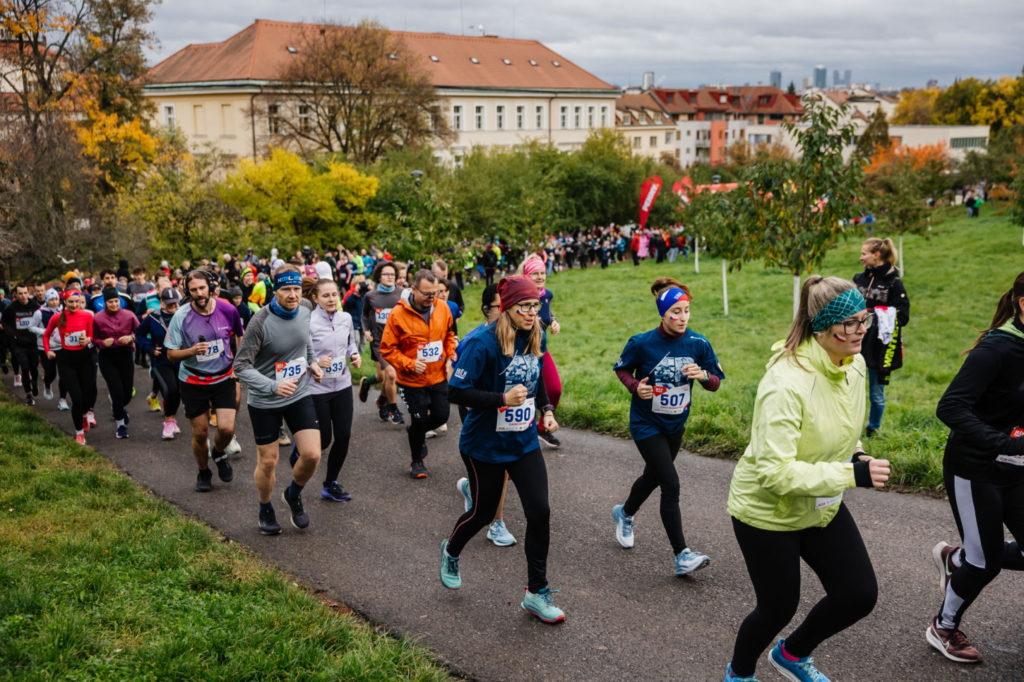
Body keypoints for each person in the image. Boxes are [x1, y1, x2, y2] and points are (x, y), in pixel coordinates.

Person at [724, 276, 890, 682]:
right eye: (849, 323)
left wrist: (857, 453)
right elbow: (774, 471)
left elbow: (842, 430)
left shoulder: (853, 367)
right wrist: (853, 474)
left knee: (858, 594)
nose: (861, 330)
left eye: (863, 319)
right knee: (777, 608)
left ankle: (792, 655)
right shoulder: (785, 383)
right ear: (823, 327)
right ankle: (739, 674)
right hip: (767, 513)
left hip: (820, 502)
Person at [443, 275, 564, 623]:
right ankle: (451, 549)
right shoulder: (482, 343)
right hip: (483, 446)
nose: (530, 313)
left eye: (534, 306)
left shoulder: (535, 333)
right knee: (482, 514)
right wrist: (500, 400)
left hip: (523, 442)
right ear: (507, 308)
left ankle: (536, 593)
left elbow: (535, 378)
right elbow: (456, 392)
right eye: (523, 307)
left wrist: (547, 412)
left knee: (540, 512)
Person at [926, 271, 1024, 665]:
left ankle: (959, 558)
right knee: (985, 565)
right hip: (975, 468)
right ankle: (943, 626)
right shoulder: (997, 349)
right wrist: (1006, 443)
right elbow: (949, 407)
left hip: (1017, 469)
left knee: (985, 555)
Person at [611, 282, 724, 576]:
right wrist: (636, 387)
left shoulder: (698, 343)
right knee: (670, 483)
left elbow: (715, 382)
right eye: (676, 312)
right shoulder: (642, 343)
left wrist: (703, 376)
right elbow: (621, 369)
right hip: (646, 424)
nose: (683, 317)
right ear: (663, 313)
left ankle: (624, 513)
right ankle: (681, 555)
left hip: (676, 424)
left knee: (653, 476)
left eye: (687, 310)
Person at [234, 265, 324, 535]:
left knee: (312, 454)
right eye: (286, 289)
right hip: (265, 399)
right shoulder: (260, 321)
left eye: (296, 288)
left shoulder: (306, 307)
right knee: (269, 461)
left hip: (298, 392)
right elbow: (241, 366)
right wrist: (273, 385)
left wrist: (313, 362)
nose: (293, 294)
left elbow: (304, 337)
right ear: (275, 290)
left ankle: (293, 494)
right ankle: (265, 507)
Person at [165, 270, 244, 492]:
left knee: (227, 429)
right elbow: (171, 354)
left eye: (202, 288)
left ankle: (218, 453)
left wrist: (238, 364)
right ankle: (203, 471)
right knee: (200, 433)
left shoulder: (227, 309)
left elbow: (240, 335)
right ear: (187, 292)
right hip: (193, 381)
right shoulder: (181, 316)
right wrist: (191, 351)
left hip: (223, 377)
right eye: (193, 290)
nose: (199, 294)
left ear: (210, 287)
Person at [454, 284, 517, 547]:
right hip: (480, 411)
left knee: (509, 470)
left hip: (512, 412)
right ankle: (496, 523)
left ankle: (472, 488)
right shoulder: (473, 341)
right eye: (500, 307)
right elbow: (460, 388)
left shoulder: (519, 337)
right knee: (498, 470)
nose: (506, 313)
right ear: (486, 310)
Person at [380, 269, 456, 479]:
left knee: (442, 416)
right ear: (413, 289)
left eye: (435, 293)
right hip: (412, 380)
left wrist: (451, 354)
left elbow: (449, 335)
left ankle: (416, 432)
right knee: (420, 419)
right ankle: (416, 461)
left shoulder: (443, 308)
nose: (432, 298)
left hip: (438, 375)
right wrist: (410, 363)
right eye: (427, 294)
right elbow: (387, 349)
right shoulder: (398, 314)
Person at [307, 278, 361, 502]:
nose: (331, 299)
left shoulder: (345, 318)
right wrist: (318, 362)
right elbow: (301, 355)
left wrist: (354, 355)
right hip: (317, 388)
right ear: (315, 298)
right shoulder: (308, 323)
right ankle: (302, 446)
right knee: (324, 440)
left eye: (334, 295)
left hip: (342, 384)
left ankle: (330, 484)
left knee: (344, 435)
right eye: (326, 296)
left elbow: (350, 344)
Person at [853, 237, 909, 437]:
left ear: (876, 255)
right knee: (849, 387)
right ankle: (849, 426)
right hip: (854, 340)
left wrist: (876, 314)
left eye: (864, 253)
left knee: (876, 392)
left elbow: (903, 315)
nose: (861, 258)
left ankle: (873, 429)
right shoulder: (859, 279)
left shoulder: (894, 282)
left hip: (880, 346)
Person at [43, 290, 96, 443]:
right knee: (77, 399)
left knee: (87, 396)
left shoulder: (87, 316)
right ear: (64, 302)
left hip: (85, 359)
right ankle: (79, 433)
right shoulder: (57, 318)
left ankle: (85, 414)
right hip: (66, 361)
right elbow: (46, 335)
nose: (74, 305)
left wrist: (88, 341)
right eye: (70, 302)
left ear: (81, 302)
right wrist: (48, 351)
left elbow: (92, 337)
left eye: (77, 301)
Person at [522, 257, 562, 448]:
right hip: (520, 353)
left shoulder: (547, 295)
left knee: (554, 389)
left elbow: (546, 313)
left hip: (540, 351)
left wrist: (553, 321)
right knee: (525, 394)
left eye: (542, 273)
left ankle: (541, 427)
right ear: (526, 275)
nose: (539, 277)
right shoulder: (519, 297)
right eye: (534, 273)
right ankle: (523, 431)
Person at [358, 261, 404, 424]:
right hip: (379, 342)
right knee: (390, 375)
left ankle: (370, 387)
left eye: (392, 274)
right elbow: (364, 315)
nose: (390, 277)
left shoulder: (402, 294)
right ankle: (393, 408)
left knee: (382, 376)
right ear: (379, 276)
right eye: (386, 274)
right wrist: (366, 330)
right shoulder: (371, 296)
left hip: (398, 343)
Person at [92, 287, 140, 439]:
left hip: (125, 355)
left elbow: (141, 333)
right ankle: (120, 425)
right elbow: (92, 339)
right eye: (110, 302)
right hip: (107, 357)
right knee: (116, 391)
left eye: (116, 301)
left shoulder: (129, 315)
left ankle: (119, 408)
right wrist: (102, 342)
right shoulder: (97, 318)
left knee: (126, 393)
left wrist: (131, 338)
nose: (114, 304)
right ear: (105, 303)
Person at [136, 287, 183, 440]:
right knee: (170, 390)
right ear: (162, 302)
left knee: (179, 392)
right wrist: (149, 348)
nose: (173, 307)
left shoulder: (184, 315)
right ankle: (168, 421)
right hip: (161, 360)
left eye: (176, 304)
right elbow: (139, 334)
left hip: (181, 359)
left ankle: (173, 418)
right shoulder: (153, 317)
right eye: (170, 304)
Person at [1, 283, 41, 405]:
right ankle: (28, 395)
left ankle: (34, 382)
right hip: (18, 344)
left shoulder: (35, 306)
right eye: (20, 293)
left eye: (25, 293)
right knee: (24, 367)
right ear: (15, 295)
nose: (23, 296)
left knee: (34, 367)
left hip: (33, 343)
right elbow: (5, 323)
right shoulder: (11, 308)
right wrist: (13, 334)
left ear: (28, 293)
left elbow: (42, 320)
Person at [29, 287, 68, 407]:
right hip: (45, 347)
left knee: (64, 374)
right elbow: (31, 327)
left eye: (56, 299)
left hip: (61, 346)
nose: (55, 302)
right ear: (46, 300)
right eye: (51, 300)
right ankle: (47, 384)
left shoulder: (63, 310)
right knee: (51, 373)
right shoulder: (40, 312)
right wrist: (45, 331)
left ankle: (62, 399)